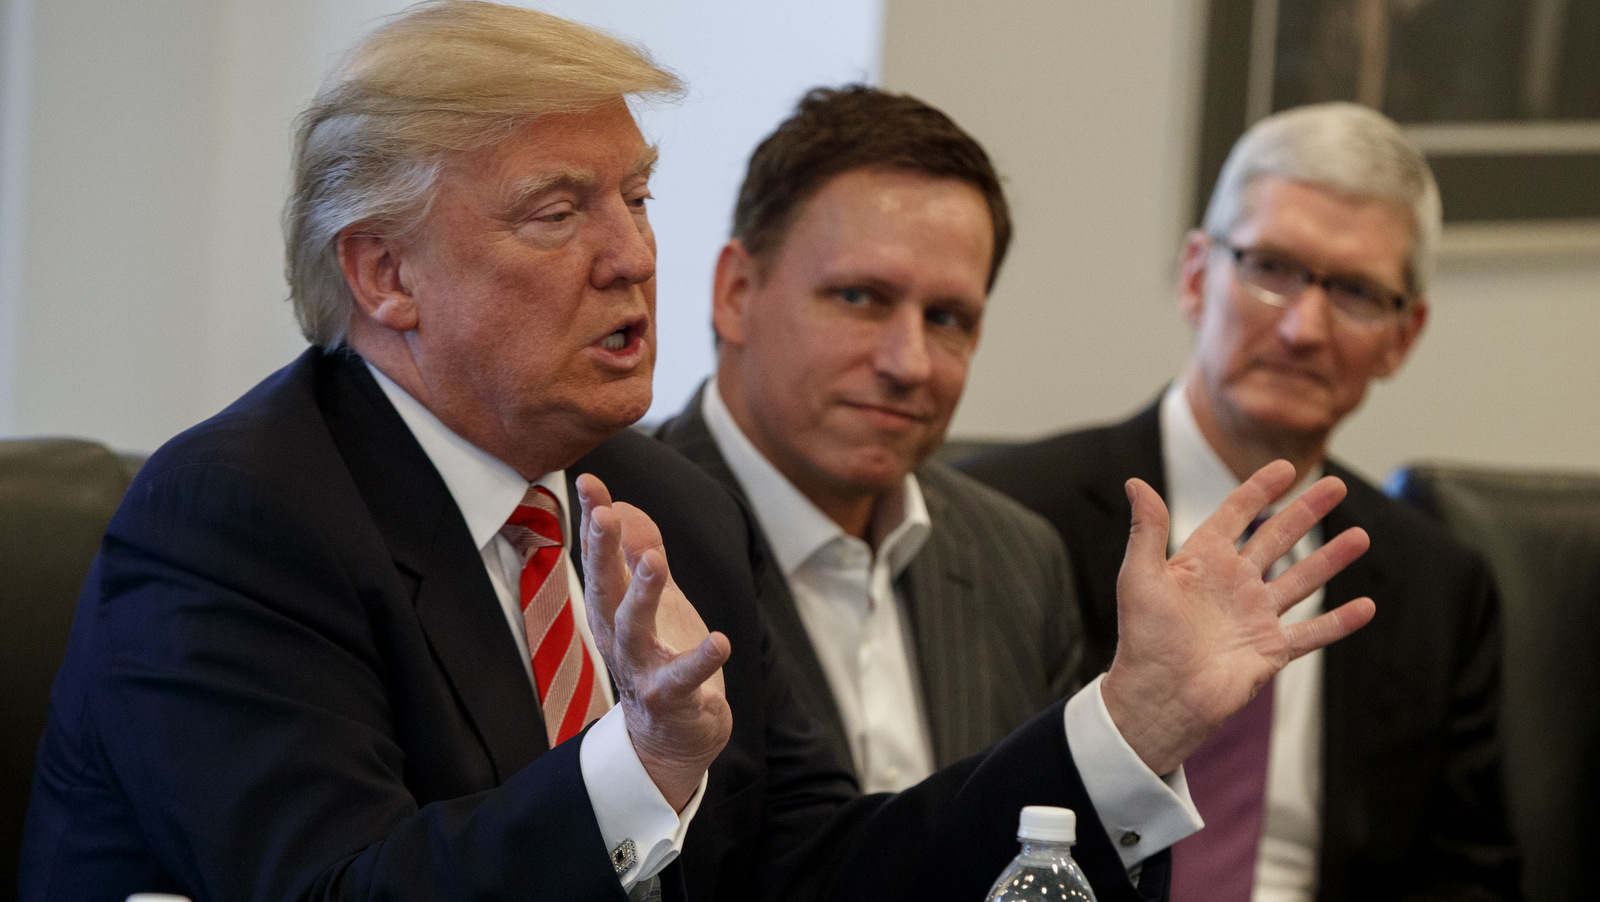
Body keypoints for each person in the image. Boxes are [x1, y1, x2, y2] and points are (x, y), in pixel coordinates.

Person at [20, 5, 1374, 901]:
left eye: (637, 196)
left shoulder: (662, 501)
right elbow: (340, 888)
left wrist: (1125, 722)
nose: (631, 253)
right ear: (385, 273)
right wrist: (645, 760)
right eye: (560, 211)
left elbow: (825, 872)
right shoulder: (238, 513)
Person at [962, 103, 1521, 901]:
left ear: (1404, 335)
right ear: (1197, 274)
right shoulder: (1012, 518)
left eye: (1357, 291)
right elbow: (949, 827)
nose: (1303, 326)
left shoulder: (1439, 585)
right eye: (1272, 269)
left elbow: (1471, 881)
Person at [655, 86, 1081, 792]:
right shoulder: (613, 539)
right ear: (735, 292)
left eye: (947, 318)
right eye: (859, 299)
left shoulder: (1022, 561)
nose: (907, 362)